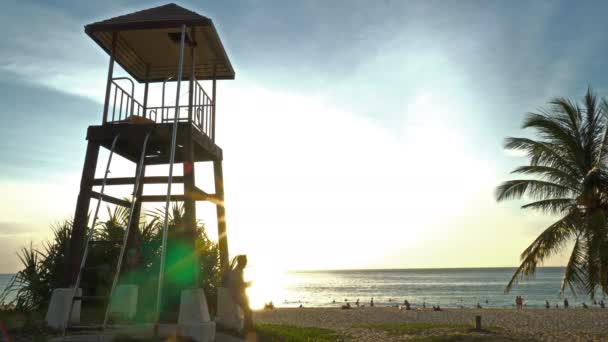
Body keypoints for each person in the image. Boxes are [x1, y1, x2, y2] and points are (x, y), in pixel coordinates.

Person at [226, 255, 253, 330]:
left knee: (248, 310)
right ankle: (248, 328)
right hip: (237, 295)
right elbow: (239, 284)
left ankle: (248, 327)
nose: (245, 264)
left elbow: (240, 284)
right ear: (240, 262)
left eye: (246, 262)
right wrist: (248, 284)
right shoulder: (236, 272)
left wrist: (246, 284)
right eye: (245, 262)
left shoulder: (239, 271)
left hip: (239, 294)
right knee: (248, 310)